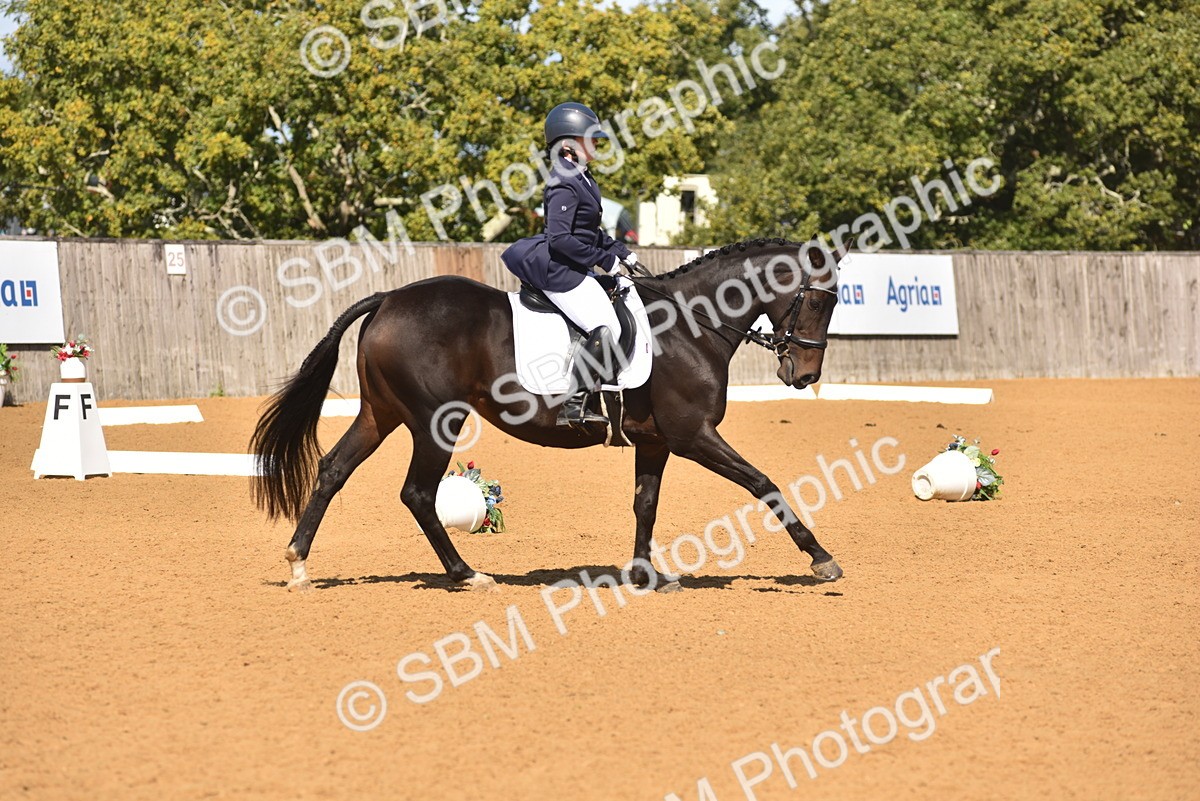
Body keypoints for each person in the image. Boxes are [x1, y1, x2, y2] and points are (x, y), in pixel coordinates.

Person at [501, 102, 640, 426]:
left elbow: (590, 231)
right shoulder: (563, 180)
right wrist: (606, 261)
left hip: (574, 264)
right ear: (568, 145)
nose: (596, 145)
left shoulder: (583, 177)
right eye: (589, 139)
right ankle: (573, 404)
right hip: (559, 270)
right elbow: (561, 239)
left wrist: (622, 252)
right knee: (606, 326)